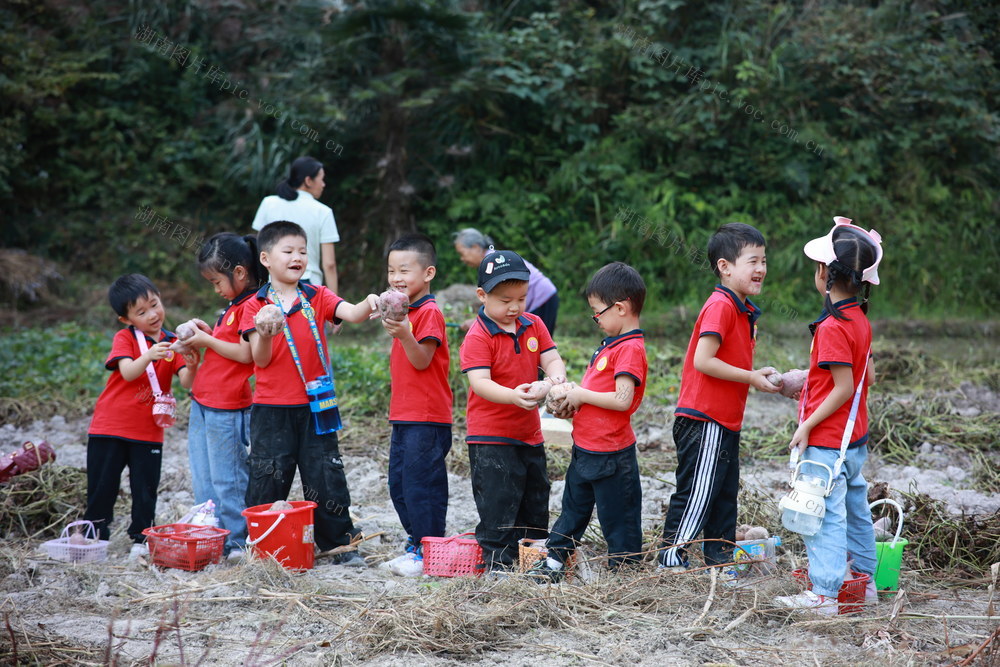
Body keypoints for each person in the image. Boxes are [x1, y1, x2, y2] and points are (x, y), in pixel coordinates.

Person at [239, 220, 378, 566]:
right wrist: (266, 332)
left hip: (318, 406)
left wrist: (373, 301)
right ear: (267, 258)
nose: (298, 257)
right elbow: (260, 359)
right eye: (289, 251)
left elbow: (352, 313)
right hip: (271, 409)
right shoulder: (254, 306)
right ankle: (261, 543)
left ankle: (339, 545)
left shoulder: (316, 295)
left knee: (326, 475)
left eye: (303, 251)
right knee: (268, 475)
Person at [776, 217, 884, 614]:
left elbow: (842, 386)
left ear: (824, 273)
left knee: (820, 513)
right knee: (855, 508)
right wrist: (810, 380)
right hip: (854, 438)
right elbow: (866, 376)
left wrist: (805, 425)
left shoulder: (832, 327)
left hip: (827, 440)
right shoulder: (860, 319)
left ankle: (823, 593)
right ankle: (866, 583)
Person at [658, 223, 780, 572]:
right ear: (725, 267)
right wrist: (752, 378)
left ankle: (719, 558)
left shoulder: (741, 309)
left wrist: (759, 374)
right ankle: (671, 557)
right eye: (753, 261)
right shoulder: (721, 306)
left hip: (725, 420)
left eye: (764, 261)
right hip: (704, 418)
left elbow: (732, 360)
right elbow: (703, 360)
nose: (761, 269)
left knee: (724, 494)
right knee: (698, 492)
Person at [529, 262, 648, 582]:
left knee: (619, 517)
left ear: (620, 308)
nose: (596, 320)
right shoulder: (611, 344)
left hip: (612, 453)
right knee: (573, 509)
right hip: (586, 447)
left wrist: (581, 395)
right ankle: (553, 562)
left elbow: (622, 400)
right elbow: (597, 392)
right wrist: (570, 402)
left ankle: (624, 571)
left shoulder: (631, 349)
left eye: (598, 313)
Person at [459, 248, 568, 574]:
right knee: (498, 502)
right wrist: (512, 395)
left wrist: (553, 381)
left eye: (520, 298)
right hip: (491, 437)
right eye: (505, 300)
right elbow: (480, 382)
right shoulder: (478, 335)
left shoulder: (533, 324)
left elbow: (550, 358)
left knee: (535, 496)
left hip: (529, 433)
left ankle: (534, 560)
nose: (514, 307)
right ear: (482, 295)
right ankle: (498, 565)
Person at [84, 274, 199, 559]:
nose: (153, 315)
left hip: (148, 431)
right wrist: (149, 356)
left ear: (161, 298)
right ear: (126, 319)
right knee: (102, 487)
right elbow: (128, 372)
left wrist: (194, 364)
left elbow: (186, 382)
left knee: (145, 488)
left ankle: (141, 538)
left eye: (155, 304)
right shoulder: (125, 338)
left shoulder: (175, 342)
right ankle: (94, 536)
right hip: (109, 427)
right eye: (141, 312)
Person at [183, 232, 268, 559]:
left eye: (217, 281)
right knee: (204, 475)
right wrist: (208, 334)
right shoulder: (233, 307)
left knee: (227, 477)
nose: (215, 289)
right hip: (204, 402)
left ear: (240, 273)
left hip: (227, 407)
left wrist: (208, 342)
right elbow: (226, 348)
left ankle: (235, 541)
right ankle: (212, 534)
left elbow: (245, 354)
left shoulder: (252, 305)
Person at [378, 233, 453, 577]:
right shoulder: (405, 311)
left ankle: (430, 549)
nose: (396, 277)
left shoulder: (429, 313)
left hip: (428, 417)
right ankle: (417, 543)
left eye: (404, 270)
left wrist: (405, 333)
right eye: (392, 270)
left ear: (428, 274)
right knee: (400, 484)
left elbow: (422, 360)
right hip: (404, 416)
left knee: (423, 485)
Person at [252, 156, 340, 292]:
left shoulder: (268, 203)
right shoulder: (323, 212)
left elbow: (259, 247)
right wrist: (335, 303)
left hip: (273, 282)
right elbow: (329, 264)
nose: (323, 184)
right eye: (321, 179)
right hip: (309, 285)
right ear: (308, 181)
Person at [454, 228, 559, 335]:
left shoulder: (494, 263)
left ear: (475, 247)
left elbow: (497, 300)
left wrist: (477, 322)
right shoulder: (491, 261)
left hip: (541, 298)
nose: (462, 259)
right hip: (541, 297)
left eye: (462, 253)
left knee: (537, 343)